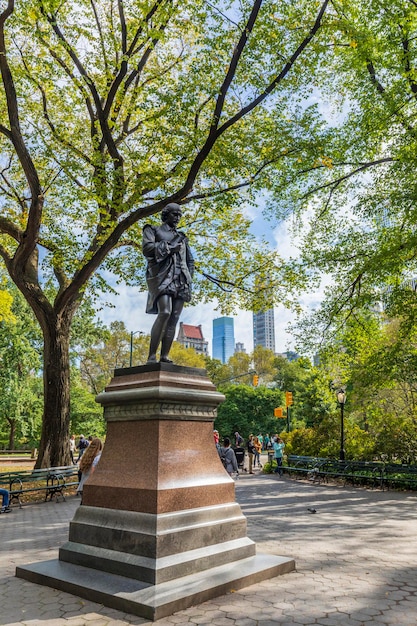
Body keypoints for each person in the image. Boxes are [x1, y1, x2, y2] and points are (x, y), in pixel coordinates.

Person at [142, 203, 194, 364]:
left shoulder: (183, 237)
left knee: (174, 318)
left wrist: (189, 277)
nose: (177, 218)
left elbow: (190, 260)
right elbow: (147, 248)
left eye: (179, 215)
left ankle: (164, 356)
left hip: (181, 279)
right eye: (174, 214)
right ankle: (152, 355)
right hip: (163, 277)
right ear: (166, 215)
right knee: (165, 312)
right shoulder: (153, 230)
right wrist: (170, 248)